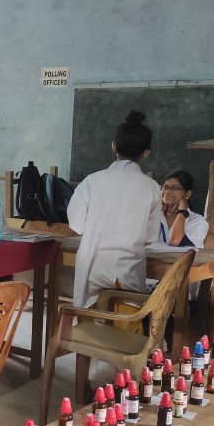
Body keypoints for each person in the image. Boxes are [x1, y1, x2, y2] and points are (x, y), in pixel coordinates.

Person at [67, 111, 162, 309]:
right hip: (130, 268)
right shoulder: (152, 187)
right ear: (146, 153)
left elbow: (76, 225)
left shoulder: (92, 181)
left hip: (94, 265)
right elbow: (150, 237)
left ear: (114, 146)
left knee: (89, 318)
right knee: (127, 319)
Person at [157, 169, 209, 248]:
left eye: (175, 188)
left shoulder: (198, 222)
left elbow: (175, 241)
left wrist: (183, 212)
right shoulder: (154, 215)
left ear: (187, 194)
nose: (167, 191)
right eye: (165, 187)